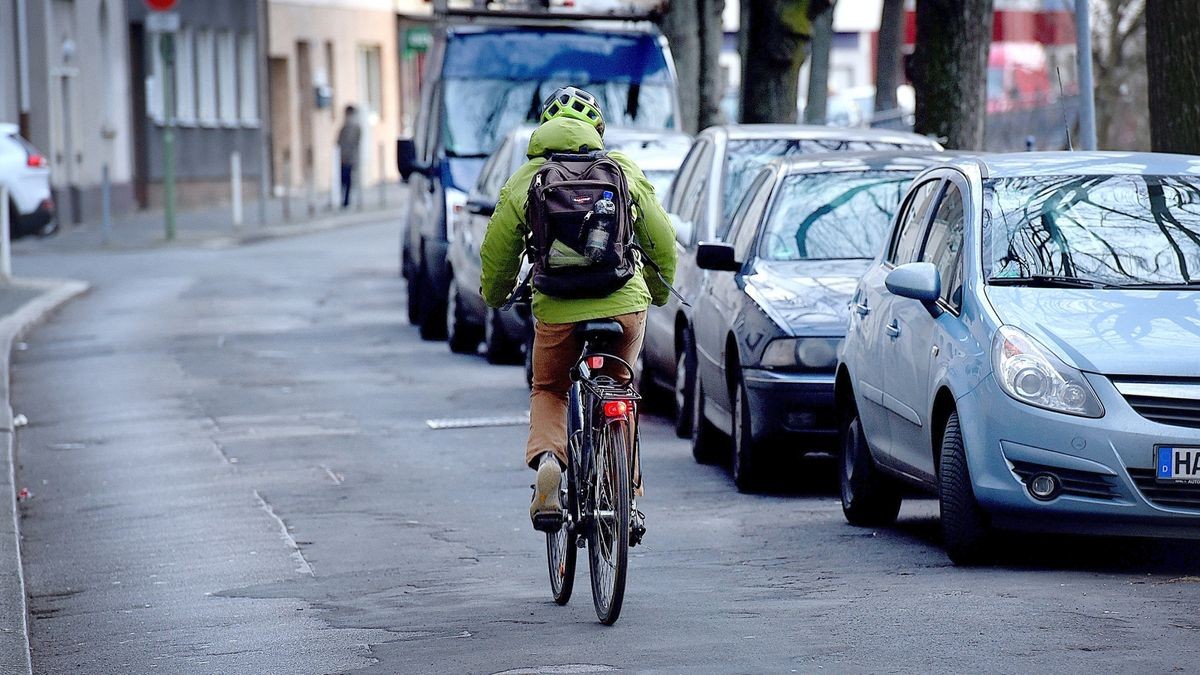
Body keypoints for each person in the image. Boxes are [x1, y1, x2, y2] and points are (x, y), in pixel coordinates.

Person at [479, 86, 677, 530]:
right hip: (624, 303)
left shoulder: (528, 177)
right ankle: (623, 497)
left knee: (550, 389)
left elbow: (497, 250)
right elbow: (661, 238)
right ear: (597, 130)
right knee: (619, 386)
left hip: (557, 307)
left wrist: (495, 296)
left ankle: (550, 459)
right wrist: (658, 291)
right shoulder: (621, 170)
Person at [336, 105, 361, 209]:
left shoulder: (350, 126)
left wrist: (345, 155)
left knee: (346, 180)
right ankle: (345, 201)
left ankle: (346, 201)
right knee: (346, 180)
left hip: (347, 158)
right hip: (348, 157)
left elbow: (347, 142)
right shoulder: (350, 126)